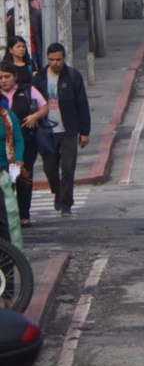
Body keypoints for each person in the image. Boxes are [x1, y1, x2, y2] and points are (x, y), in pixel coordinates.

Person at [32, 43, 90, 217]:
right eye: (51, 60)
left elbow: (82, 105)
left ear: (64, 58)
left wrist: (84, 131)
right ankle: (58, 192)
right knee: (49, 168)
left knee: (68, 167)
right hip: (46, 131)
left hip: (69, 130)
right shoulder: (39, 78)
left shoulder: (73, 76)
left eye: (58, 59)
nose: (55, 63)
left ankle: (66, 204)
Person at [0, 62, 47, 229]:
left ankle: (24, 216)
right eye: (0, 78)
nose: (3, 81)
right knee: (6, 190)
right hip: (4, 153)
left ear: (15, 77)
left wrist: (34, 117)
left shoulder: (25, 91)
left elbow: (44, 106)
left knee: (22, 180)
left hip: (22, 146)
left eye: (7, 77)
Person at [0, 93, 24, 249]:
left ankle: (9, 265)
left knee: (7, 219)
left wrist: (19, 159)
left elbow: (18, 139)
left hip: (3, 174)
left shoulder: (7, 116)